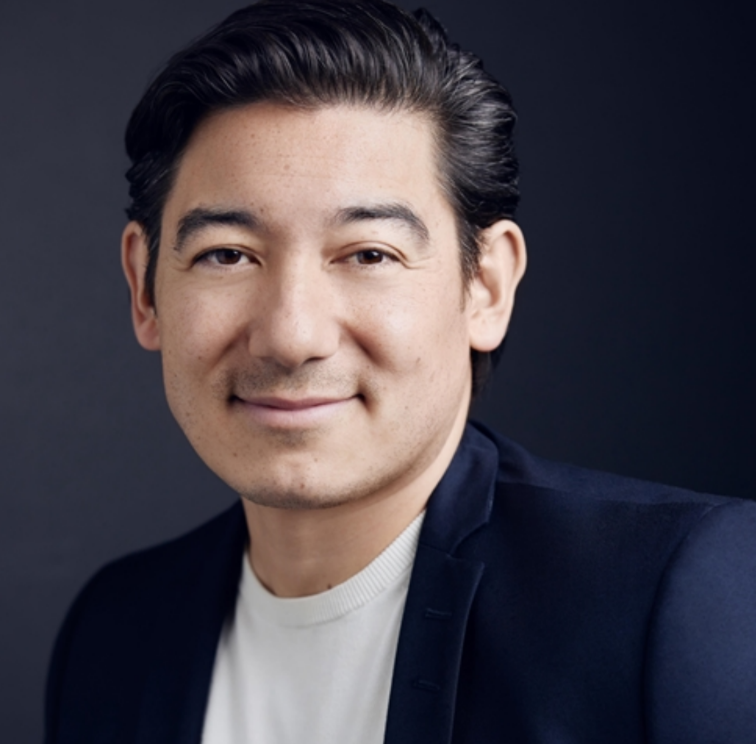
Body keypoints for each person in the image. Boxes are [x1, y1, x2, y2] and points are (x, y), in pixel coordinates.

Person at [44, 1, 756, 742]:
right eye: (227, 255)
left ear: (486, 287)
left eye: (368, 254)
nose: (292, 336)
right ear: (145, 288)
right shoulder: (115, 633)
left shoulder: (678, 599)